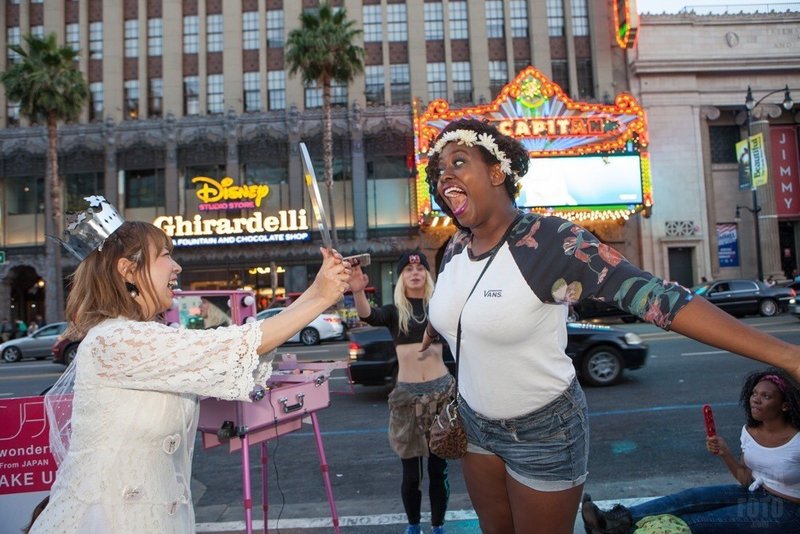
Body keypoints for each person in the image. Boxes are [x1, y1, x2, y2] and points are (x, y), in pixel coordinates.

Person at [419, 118, 800, 534]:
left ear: (497, 172)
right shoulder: (456, 246)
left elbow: (660, 299)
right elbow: (464, 303)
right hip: (474, 423)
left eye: (458, 162)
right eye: (438, 171)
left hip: (543, 431)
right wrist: (439, 324)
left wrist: (786, 356)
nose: (444, 176)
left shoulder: (550, 241)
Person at [29, 197, 352, 533]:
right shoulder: (114, 341)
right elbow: (234, 346)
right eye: (164, 255)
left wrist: (319, 293)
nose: (177, 267)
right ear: (128, 270)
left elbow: (235, 351)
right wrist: (320, 295)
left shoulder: (141, 334)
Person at [581, 367, 800, 533]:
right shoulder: (750, 431)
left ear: (785, 405)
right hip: (753, 493)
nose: (755, 400)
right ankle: (612, 521)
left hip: (788, 510)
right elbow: (745, 478)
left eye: (766, 396)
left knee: (700, 522)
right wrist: (725, 453)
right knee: (689, 498)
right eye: (754, 393)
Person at [348, 251, 453, 534]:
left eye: (419, 269)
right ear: (401, 277)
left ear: (428, 275)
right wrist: (357, 291)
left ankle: (438, 526)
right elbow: (368, 315)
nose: (414, 273)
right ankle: (414, 526)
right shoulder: (395, 312)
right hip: (406, 399)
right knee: (411, 475)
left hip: (441, 396)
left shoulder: (439, 307)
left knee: (438, 470)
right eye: (408, 270)